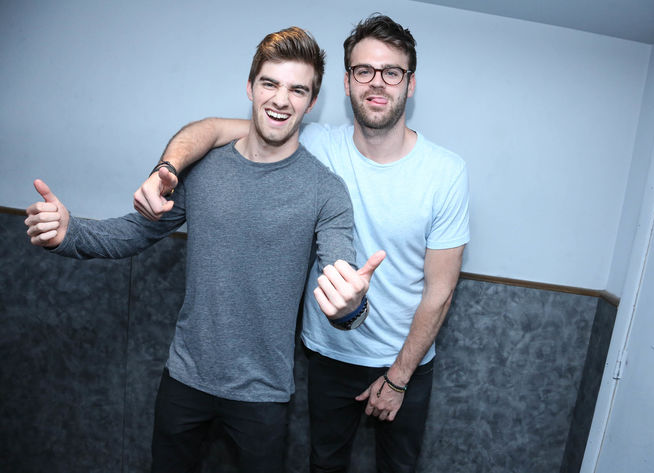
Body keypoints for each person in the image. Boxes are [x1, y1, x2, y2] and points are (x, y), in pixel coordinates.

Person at [24, 26, 385, 473]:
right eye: (270, 83)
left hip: (263, 394)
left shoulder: (326, 191)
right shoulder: (205, 168)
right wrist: (69, 233)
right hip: (185, 379)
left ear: (311, 104)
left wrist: (350, 306)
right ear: (250, 87)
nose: (280, 99)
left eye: (297, 90)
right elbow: (135, 233)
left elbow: (341, 276)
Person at [132, 14, 470, 473]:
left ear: (410, 85)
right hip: (328, 353)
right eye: (363, 71)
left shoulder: (445, 173)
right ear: (347, 82)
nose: (377, 83)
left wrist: (398, 378)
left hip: (404, 360)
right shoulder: (312, 142)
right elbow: (212, 130)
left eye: (392, 72)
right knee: (323, 466)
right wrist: (167, 169)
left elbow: (441, 290)